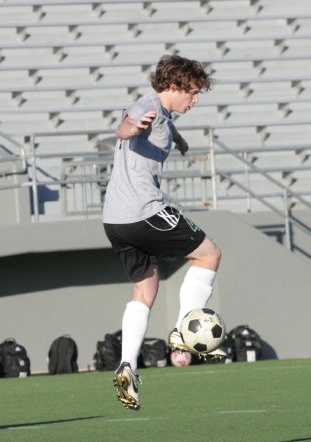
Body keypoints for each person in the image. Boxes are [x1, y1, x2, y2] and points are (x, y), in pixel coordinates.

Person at [102, 55, 220, 410]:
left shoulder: (163, 115)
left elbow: (159, 124)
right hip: (144, 210)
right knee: (210, 254)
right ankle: (184, 329)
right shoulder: (147, 106)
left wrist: (179, 141)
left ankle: (128, 365)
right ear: (173, 86)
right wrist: (133, 128)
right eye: (193, 93)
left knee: (145, 288)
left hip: (116, 220)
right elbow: (124, 127)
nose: (195, 100)